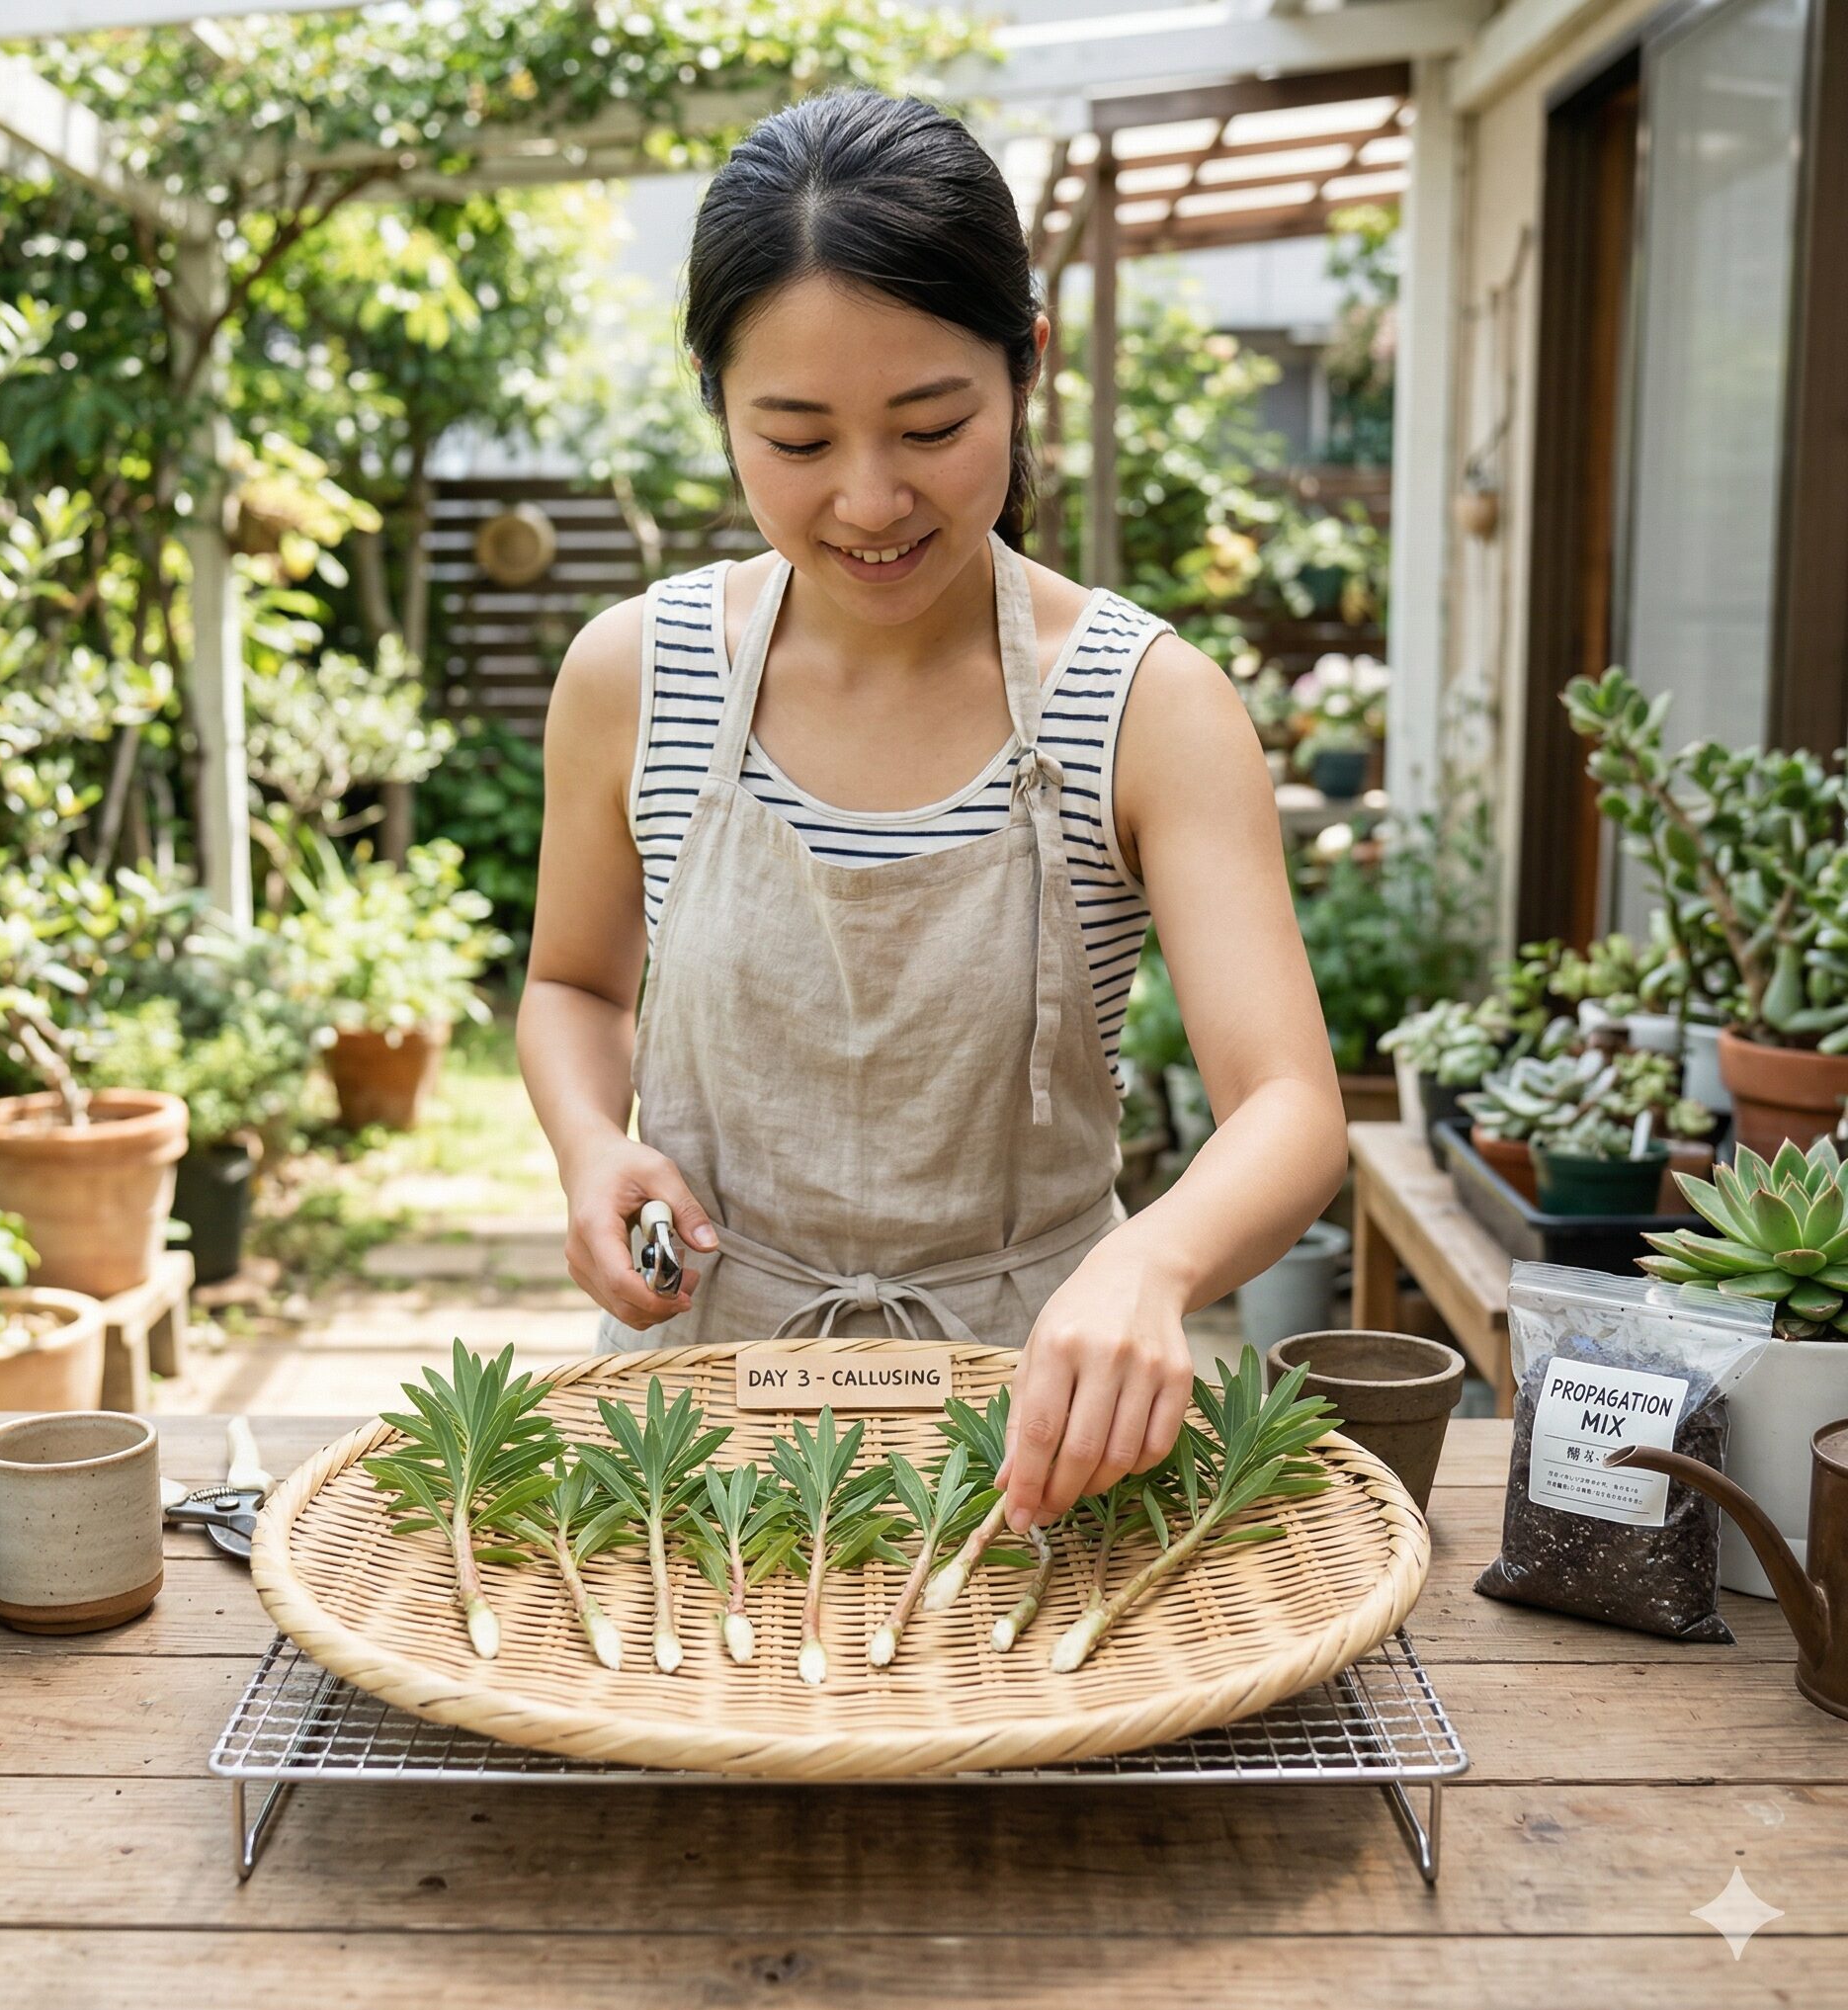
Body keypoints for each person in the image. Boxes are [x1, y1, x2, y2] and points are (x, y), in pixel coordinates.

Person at [517, 87, 1346, 1543]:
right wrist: (592, 1143)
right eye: (796, 440)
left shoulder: (1143, 704)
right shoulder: (635, 675)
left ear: (1028, 366)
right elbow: (573, 984)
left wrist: (1149, 1266)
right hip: (692, 1420)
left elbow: (1288, 1107)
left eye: (932, 424)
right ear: (716, 401)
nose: (869, 499)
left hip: (1038, 1427)